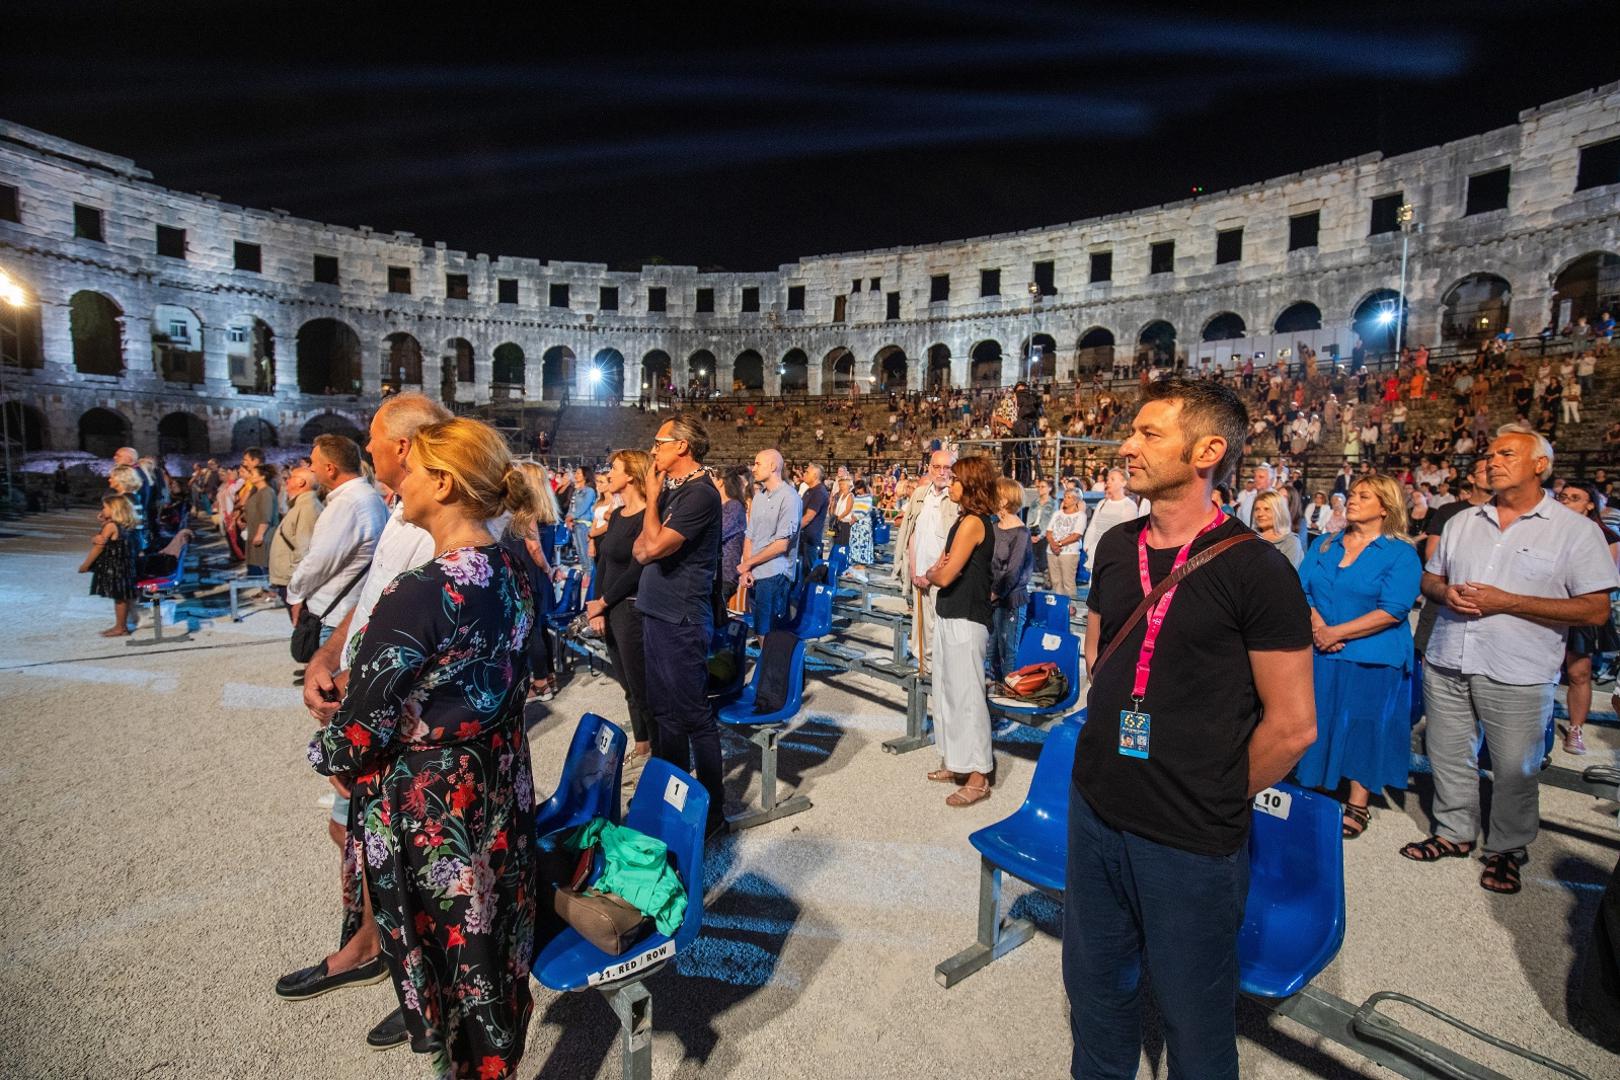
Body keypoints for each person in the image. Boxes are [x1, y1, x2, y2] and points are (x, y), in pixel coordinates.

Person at [1066, 377, 1315, 1079]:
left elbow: (1293, 727)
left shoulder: (1258, 570)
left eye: (1149, 434)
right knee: (1096, 996)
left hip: (1188, 839)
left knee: (1195, 1022)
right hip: (1097, 810)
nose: (1127, 446)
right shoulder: (1116, 544)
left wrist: (1212, 794)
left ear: (1207, 451)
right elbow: (1104, 644)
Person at [308, 417, 540, 1077]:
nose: (397, 481)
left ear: (441, 482)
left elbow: (359, 735)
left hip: (436, 813)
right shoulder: (511, 567)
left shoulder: (419, 591)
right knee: (493, 958)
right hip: (498, 792)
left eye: (410, 468)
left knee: (454, 964)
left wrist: (329, 739)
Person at [1407, 425, 1620, 894]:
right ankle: (1453, 832)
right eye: (1490, 454)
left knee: (1513, 767)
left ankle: (1507, 847)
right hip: (1449, 656)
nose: (1492, 461)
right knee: (1447, 753)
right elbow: (1430, 581)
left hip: (1518, 667)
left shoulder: (1574, 531)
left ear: (1540, 465)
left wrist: (1510, 602)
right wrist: (1446, 592)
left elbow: (1595, 608)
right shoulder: (1464, 521)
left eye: (1506, 453)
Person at [1294, 475, 1423, 839]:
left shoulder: (1400, 553)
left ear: (1385, 507)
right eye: (1352, 494)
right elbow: (1300, 590)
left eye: (1364, 496)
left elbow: (1393, 609)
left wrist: (1337, 633)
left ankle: (1358, 801)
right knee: (1320, 719)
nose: (1352, 500)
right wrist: (1319, 625)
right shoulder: (1325, 544)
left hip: (1373, 655)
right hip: (1321, 647)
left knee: (1363, 725)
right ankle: (1316, 784)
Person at [633, 415, 725, 836]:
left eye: (660, 442)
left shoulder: (700, 495)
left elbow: (652, 546)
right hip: (659, 612)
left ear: (681, 446)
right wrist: (655, 507)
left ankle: (712, 813)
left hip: (681, 618)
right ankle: (674, 798)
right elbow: (640, 551)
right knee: (665, 714)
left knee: (692, 716)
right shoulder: (679, 493)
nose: (654, 449)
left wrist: (651, 499)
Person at [924, 455, 999, 806]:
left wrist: (937, 572)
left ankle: (979, 774)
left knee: (968, 697)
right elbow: (936, 567)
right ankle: (957, 763)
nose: (949, 484)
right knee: (948, 691)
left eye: (955, 480)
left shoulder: (973, 523)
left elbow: (943, 573)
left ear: (970, 486)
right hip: (952, 612)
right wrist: (936, 570)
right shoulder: (962, 521)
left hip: (968, 617)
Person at [585, 450, 655, 780]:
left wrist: (605, 601)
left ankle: (655, 749)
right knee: (627, 684)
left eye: (613, 469)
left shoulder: (646, 518)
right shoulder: (616, 515)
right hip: (611, 606)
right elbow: (605, 563)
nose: (608, 473)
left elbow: (636, 568)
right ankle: (643, 746)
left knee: (641, 684)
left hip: (630, 606)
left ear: (631, 476)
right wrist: (597, 602)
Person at [285, 435, 388, 648]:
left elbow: (320, 559)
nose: (311, 469)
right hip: (351, 606)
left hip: (336, 614)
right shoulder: (368, 496)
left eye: (313, 463)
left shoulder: (347, 504)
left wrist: (295, 593)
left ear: (330, 468)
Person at [1555, 481, 1620, 756]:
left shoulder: (1606, 535)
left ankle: (1576, 729)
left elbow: (1606, 579)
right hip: (1548, 605)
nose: (1566, 502)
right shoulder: (1549, 530)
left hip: (1580, 608)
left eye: (1574, 498)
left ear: (1590, 504)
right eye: (1563, 497)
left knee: (1578, 672)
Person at [898, 449, 958, 674]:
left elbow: (953, 543)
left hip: (941, 576)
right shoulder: (920, 494)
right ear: (929, 468)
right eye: (937, 467)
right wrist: (914, 569)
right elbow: (912, 533)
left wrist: (932, 573)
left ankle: (939, 674)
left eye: (947, 467)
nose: (941, 472)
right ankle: (923, 670)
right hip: (919, 572)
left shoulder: (955, 498)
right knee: (920, 627)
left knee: (940, 627)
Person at [738, 449, 801, 634]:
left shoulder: (790, 497)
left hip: (775, 574)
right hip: (755, 573)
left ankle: (773, 663)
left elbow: (781, 545)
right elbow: (750, 535)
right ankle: (767, 662)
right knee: (759, 629)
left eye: (758, 464)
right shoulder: (758, 497)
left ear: (773, 466)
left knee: (768, 632)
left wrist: (748, 563)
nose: (753, 468)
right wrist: (747, 569)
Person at [989, 476, 1034, 683]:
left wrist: (995, 593)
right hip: (992, 597)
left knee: (1008, 652)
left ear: (1005, 500)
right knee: (990, 650)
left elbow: (1013, 571)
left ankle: (1007, 699)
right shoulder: (994, 526)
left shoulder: (1021, 532)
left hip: (1011, 601)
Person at [80, 493, 139, 637]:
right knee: (120, 597)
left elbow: (99, 547)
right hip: (125, 565)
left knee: (119, 598)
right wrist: (103, 518)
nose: (102, 510)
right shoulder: (125, 525)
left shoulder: (111, 526)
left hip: (115, 567)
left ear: (114, 510)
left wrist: (86, 565)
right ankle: (120, 625)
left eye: (105, 507)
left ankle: (121, 627)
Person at [268, 467, 322, 601]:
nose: (286, 481)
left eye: (291, 477)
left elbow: (306, 549)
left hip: (293, 580)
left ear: (301, 482)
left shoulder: (308, 508)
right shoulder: (302, 505)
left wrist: (298, 587)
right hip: (289, 578)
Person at [1081, 468, 1137, 575]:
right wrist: (1088, 546)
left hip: (1113, 557)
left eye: (1112, 479)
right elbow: (1093, 526)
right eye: (1108, 479)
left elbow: (1126, 535)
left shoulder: (1129, 506)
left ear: (1123, 482)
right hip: (1095, 553)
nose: (1108, 481)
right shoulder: (1102, 503)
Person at [240, 463, 280, 578]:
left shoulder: (267, 492)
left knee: (264, 562)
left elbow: (266, 515)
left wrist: (260, 534)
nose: (250, 476)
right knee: (258, 563)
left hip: (265, 534)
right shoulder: (257, 491)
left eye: (252, 474)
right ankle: (264, 590)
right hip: (254, 530)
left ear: (262, 477)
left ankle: (270, 591)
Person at [716, 467, 748, 607]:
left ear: (721, 482)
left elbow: (718, 533)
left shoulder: (734, 506)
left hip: (724, 573)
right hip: (714, 572)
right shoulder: (720, 505)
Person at [1046, 489, 1086, 598]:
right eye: (1065, 496)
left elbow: (1076, 535)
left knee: (1068, 582)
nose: (1065, 499)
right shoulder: (1057, 513)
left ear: (1075, 500)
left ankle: (1071, 607)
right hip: (1052, 551)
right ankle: (1059, 606)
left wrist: (1059, 544)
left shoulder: (1081, 516)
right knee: (1056, 581)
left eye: (1068, 497)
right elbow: (1049, 531)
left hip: (1069, 553)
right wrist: (1053, 544)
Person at [1252, 489, 1302, 569]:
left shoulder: (1291, 542)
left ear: (1279, 512)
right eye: (1257, 509)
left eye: (1266, 509)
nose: (1260, 514)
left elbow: (1286, 576)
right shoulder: (1251, 537)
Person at [797, 464, 829, 579]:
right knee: (800, 570)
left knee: (808, 573)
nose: (804, 474)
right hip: (803, 537)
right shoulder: (809, 490)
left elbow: (808, 517)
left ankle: (809, 595)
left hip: (810, 540)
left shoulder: (819, 492)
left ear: (815, 475)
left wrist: (793, 529)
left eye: (807, 472)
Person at [566, 465, 597, 578]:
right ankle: (585, 573)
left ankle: (589, 576)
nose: (576, 475)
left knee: (585, 551)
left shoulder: (589, 491)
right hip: (575, 524)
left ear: (585, 475)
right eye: (576, 473)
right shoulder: (576, 491)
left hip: (584, 524)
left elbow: (583, 507)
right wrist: (568, 518)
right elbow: (572, 506)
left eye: (579, 473)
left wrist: (571, 517)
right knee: (579, 551)